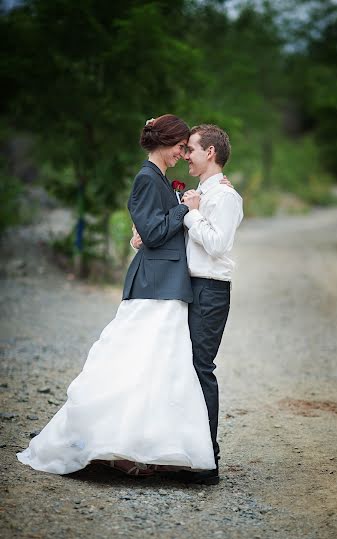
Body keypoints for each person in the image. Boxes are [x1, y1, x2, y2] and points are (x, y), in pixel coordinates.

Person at [16, 114, 217, 477]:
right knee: (133, 363)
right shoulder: (146, 178)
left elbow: (152, 229)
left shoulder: (159, 179)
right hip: (154, 286)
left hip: (167, 285)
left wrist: (180, 211)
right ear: (165, 142)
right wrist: (185, 208)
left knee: (159, 368)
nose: (182, 154)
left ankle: (145, 446)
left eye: (187, 149)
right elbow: (155, 233)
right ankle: (114, 446)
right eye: (180, 147)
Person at [133, 124, 243, 485]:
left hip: (211, 289)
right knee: (182, 367)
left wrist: (191, 212)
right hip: (188, 286)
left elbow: (216, 244)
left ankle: (208, 460)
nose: (186, 156)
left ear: (209, 153)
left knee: (201, 368)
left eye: (191, 149)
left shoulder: (225, 197)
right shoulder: (197, 194)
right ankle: (183, 451)